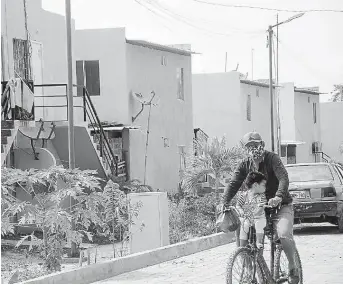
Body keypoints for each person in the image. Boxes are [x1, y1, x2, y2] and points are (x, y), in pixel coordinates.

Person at [223, 131, 300, 284]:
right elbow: (234, 184)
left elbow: (283, 178)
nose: (253, 149)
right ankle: (250, 271)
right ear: (246, 149)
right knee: (244, 235)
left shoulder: (272, 159)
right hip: (258, 209)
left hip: (280, 205)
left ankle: (293, 267)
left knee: (284, 234)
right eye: (249, 146)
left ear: (262, 145)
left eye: (256, 145)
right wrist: (224, 202)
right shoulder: (245, 164)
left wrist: (278, 196)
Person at [236, 171, 267, 249]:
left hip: (258, 218)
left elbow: (261, 207)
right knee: (244, 225)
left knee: (259, 224)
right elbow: (238, 205)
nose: (265, 187)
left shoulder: (262, 196)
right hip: (247, 218)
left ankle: (259, 241)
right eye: (263, 185)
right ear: (255, 185)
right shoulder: (244, 195)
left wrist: (256, 213)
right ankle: (242, 246)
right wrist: (241, 211)